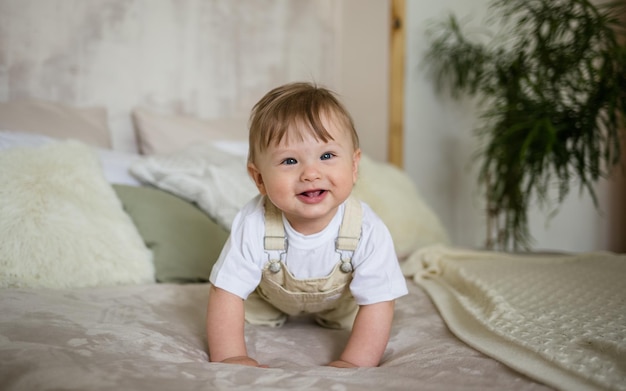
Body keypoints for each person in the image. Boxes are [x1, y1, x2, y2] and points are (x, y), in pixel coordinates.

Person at [206, 81, 408, 368]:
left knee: (362, 316)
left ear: (353, 166)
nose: (311, 173)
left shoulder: (366, 229)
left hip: (341, 304)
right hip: (266, 299)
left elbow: (379, 300)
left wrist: (354, 363)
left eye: (327, 156)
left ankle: (339, 322)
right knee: (242, 309)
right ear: (259, 179)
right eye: (289, 160)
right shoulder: (254, 222)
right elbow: (226, 290)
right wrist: (230, 356)